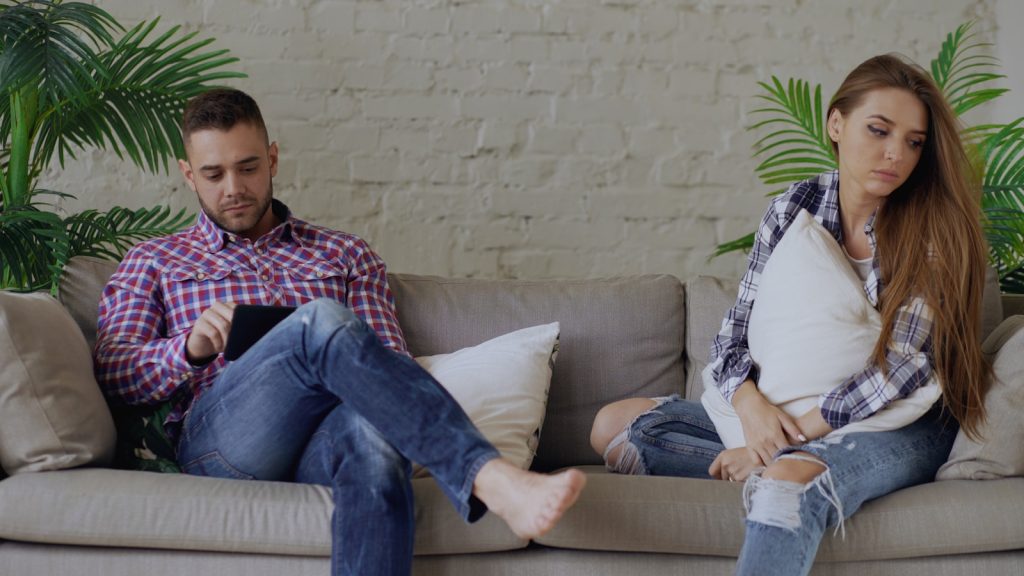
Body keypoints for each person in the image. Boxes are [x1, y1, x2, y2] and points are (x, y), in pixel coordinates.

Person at [93, 88, 586, 576]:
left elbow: (389, 362)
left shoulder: (345, 254)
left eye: (247, 167)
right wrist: (189, 349)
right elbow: (114, 372)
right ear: (188, 175)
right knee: (320, 319)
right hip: (222, 443)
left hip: (326, 441)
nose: (233, 188)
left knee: (374, 432)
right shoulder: (155, 260)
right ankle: (487, 476)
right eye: (213, 174)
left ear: (272, 159)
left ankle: (480, 476)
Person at [589, 54, 990, 575]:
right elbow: (732, 335)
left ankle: (785, 468)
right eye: (878, 130)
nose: (896, 153)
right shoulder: (793, 207)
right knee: (614, 426)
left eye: (914, 142)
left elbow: (902, 369)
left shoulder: (936, 230)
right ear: (836, 124)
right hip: (787, 414)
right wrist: (750, 407)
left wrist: (780, 445)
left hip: (899, 422)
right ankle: (782, 461)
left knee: (785, 484)